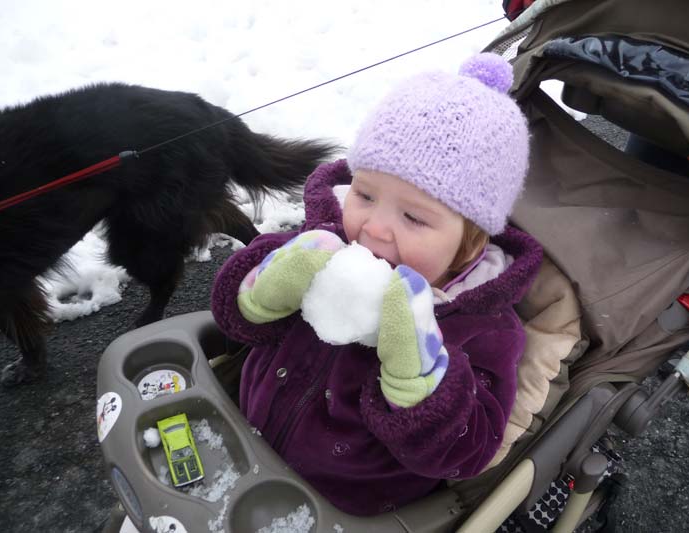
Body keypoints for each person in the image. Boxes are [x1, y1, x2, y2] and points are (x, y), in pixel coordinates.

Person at [211, 53, 543, 516]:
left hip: (342, 507)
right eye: (365, 195)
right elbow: (234, 321)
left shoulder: (483, 326)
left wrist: (420, 376)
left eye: (414, 217)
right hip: (240, 440)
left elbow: (468, 452)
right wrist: (265, 287)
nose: (374, 228)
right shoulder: (321, 245)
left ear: (467, 246)